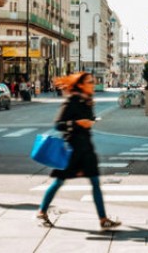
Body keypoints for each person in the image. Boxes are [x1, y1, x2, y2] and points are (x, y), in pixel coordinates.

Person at [37, 72, 121, 231]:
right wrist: (77, 123)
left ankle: (103, 220)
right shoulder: (71, 101)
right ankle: (42, 211)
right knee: (59, 182)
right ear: (81, 84)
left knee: (95, 182)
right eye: (90, 82)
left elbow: (90, 119)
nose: (93, 84)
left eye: (93, 82)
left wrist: (90, 122)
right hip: (72, 149)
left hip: (87, 149)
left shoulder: (88, 101)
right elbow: (58, 125)